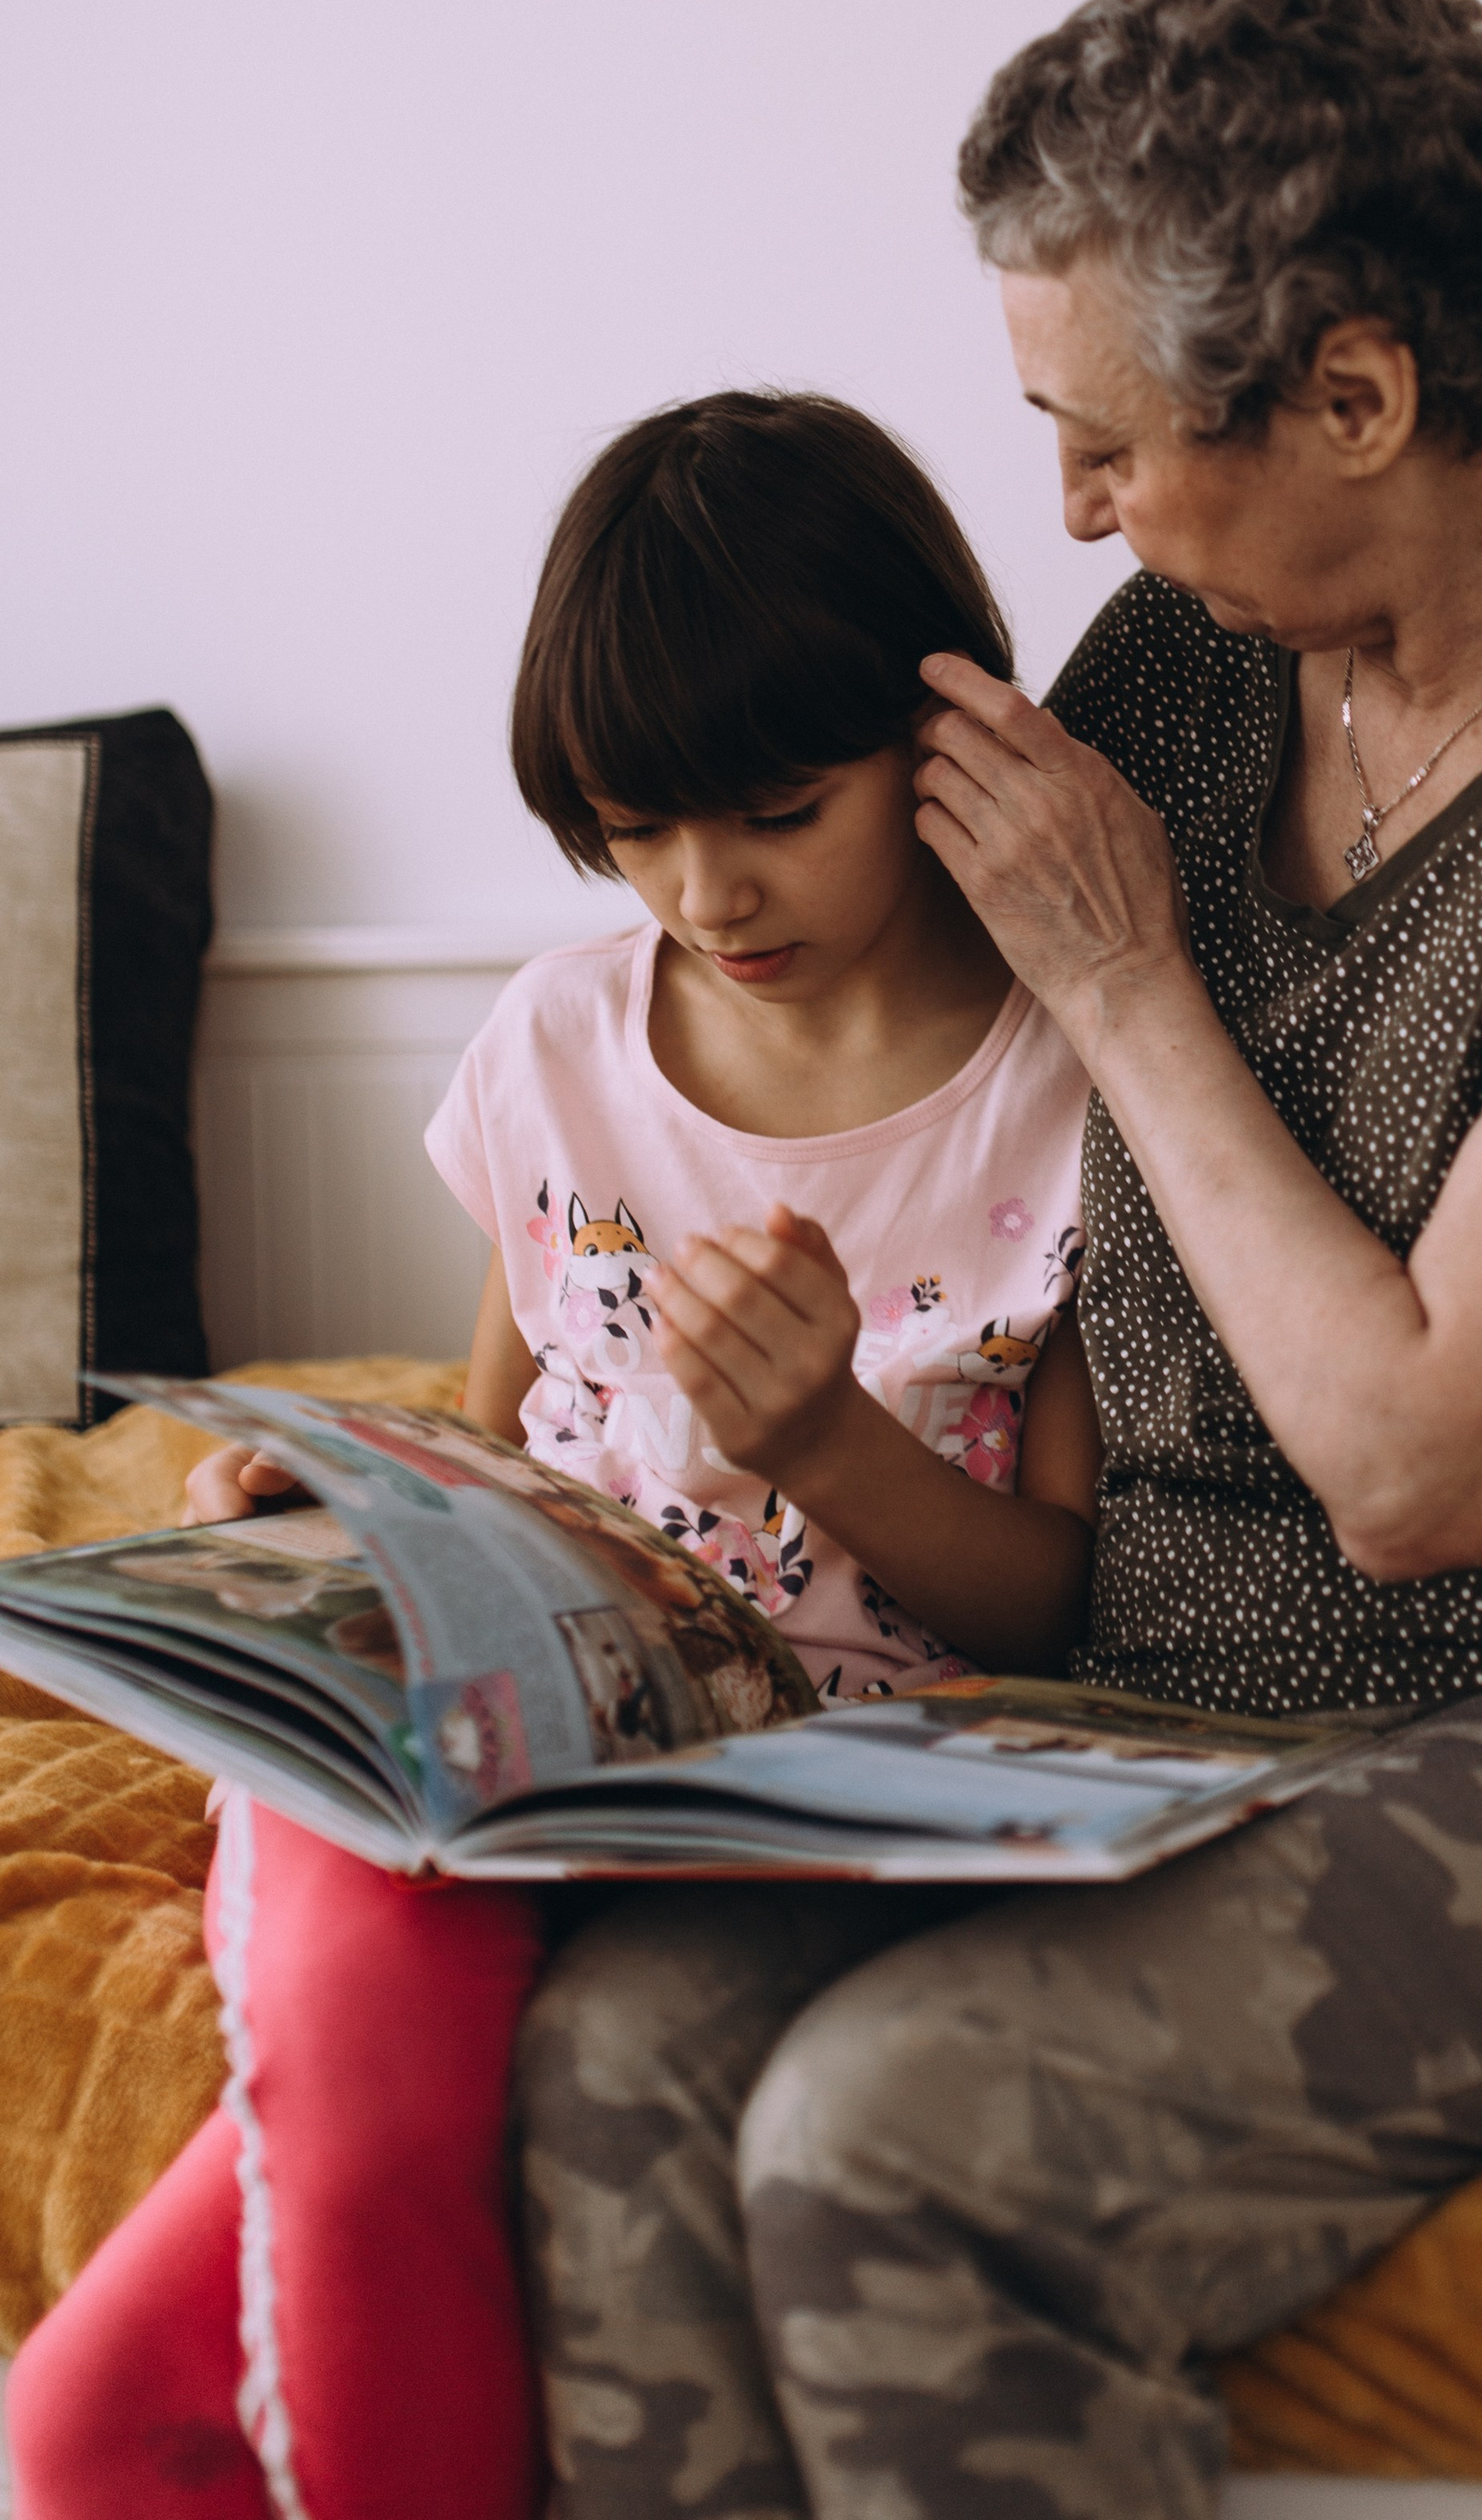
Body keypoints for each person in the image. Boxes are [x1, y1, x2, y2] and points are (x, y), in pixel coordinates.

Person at [511, 0, 1482, 2520]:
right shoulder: (1190, 667)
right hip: (1192, 1683)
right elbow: (791, 1002)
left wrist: (1133, 981)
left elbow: (1434, 1468)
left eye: (1112, 445)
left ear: (1357, 389)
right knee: (620, 2040)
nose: (1078, 514)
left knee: (905, 2130)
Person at [9, 393, 1098, 2520]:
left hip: (815, 1784)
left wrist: (825, 1447)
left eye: (781, 806)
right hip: (515, 1735)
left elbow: (1065, 1597)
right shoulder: (559, 1044)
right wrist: (349, 1497)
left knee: (108, 2403)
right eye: (631, 828)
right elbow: (500, 1426)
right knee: (83, 2421)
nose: (708, 888)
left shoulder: (1060, 1091)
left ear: (936, 733)